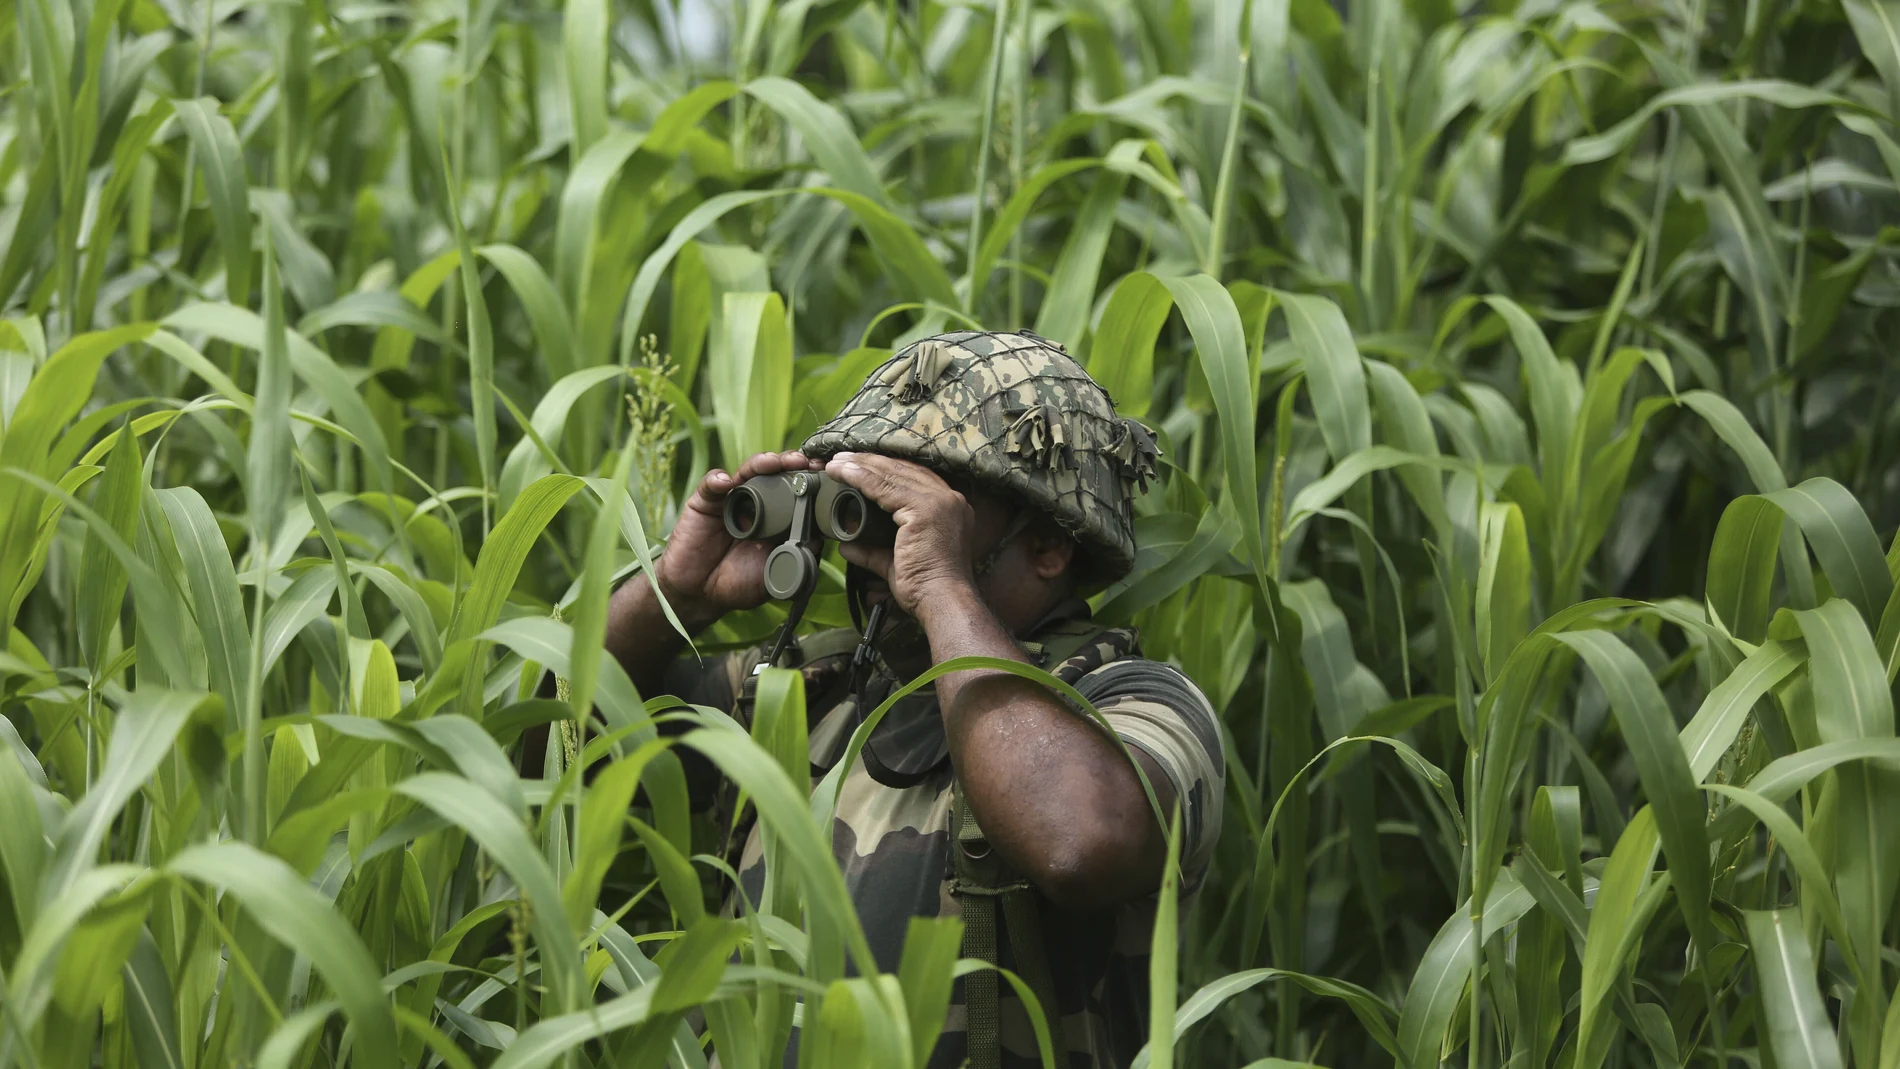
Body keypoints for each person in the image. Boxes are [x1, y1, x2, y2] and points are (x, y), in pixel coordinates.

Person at [604, 330, 1224, 1069]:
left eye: (921, 497)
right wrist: (674, 593)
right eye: (866, 493)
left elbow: (1079, 843)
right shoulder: (812, 688)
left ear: (1050, 547)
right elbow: (553, 748)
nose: (880, 530)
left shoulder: (1133, 701)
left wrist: (942, 583)